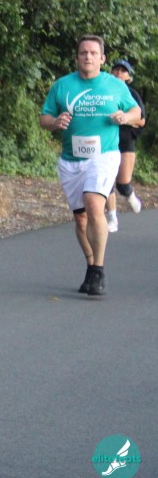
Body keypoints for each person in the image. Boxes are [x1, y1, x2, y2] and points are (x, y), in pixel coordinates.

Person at [39, 35, 141, 297]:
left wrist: (125, 116)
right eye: (83, 52)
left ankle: (99, 270)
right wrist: (55, 122)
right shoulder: (62, 86)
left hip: (104, 156)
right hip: (71, 160)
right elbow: (44, 118)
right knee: (81, 218)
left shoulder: (115, 85)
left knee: (94, 203)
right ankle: (90, 264)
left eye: (94, 53)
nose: (88, 57)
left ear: (102, 59)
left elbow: (136, 113)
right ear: (77, 57)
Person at [104, 59, 146, 232]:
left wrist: (124, 118)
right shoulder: (104, 91)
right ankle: (112, 217)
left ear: (128, 77)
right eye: (116, 70)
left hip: (125, 141)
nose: (119, 73)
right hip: (106, 141)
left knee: (122, 184)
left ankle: (130, 195)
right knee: (106, 182)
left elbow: (141, 121)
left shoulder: (132, 94)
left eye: (123, 71)